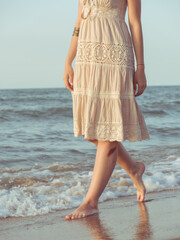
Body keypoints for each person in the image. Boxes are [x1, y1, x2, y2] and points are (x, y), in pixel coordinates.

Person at [63, 0, 150, 220]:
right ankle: (134, 168)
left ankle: (91, 202)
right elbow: (79, 19)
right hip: (87, 57)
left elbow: (135, 22)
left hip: (115, 54)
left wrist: (141, 68)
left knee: (108, 133)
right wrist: (68, 60)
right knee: (90, 132)